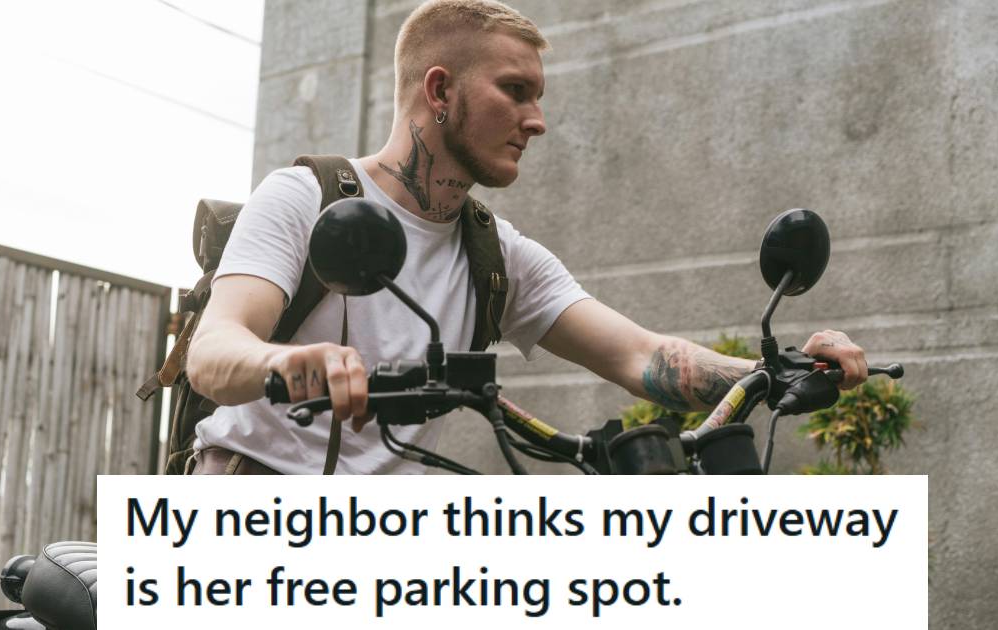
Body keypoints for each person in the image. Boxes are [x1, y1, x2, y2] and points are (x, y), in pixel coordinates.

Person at [184, 0, 868, 474]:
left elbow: (640, 356)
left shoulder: (496, 255)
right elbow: (214, 352)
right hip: (251, 496)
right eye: (515, 91)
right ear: (439, 89)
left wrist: (775, 372)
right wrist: (282, 365)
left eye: (538, 97)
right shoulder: (305, 198)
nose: (536, 120)